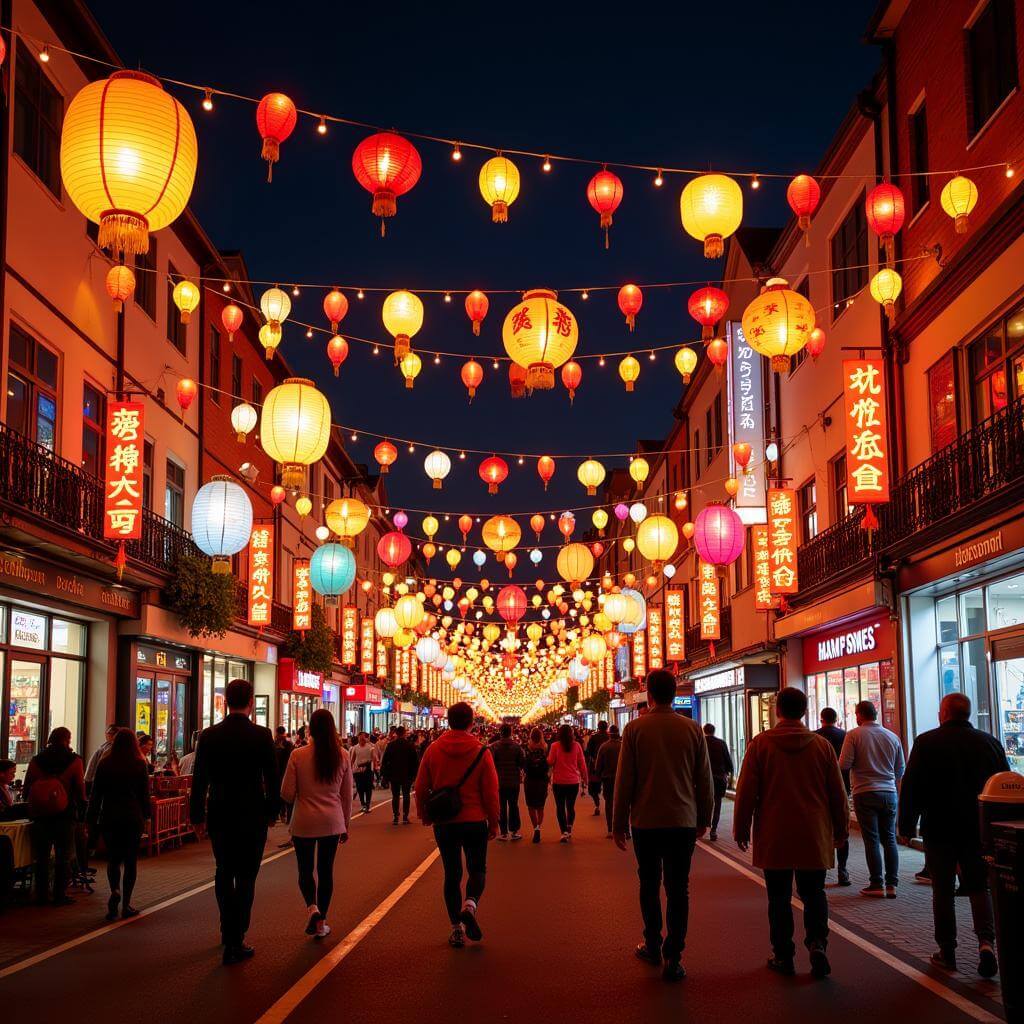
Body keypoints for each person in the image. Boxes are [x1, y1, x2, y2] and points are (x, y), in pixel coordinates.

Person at [734, 687, 849, 980]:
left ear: (777, 711)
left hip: (775, 833)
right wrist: (841, 829)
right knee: (814, 893)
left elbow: (746, 791)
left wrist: (741, 827)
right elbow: (837, 793)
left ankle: (783, 955)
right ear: (805, 712)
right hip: (813, 832)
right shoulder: (821, 746)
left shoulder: (760, 744)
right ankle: (818, 944)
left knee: (778, 897)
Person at [612, 669, 713, 983]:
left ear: (649, 695)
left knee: (649, 883)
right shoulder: (692, 729)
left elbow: (624, 780)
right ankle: (674, 955)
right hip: (682, 821)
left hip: (646, 821)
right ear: (674, 692)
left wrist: (617, 823)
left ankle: (653, 944)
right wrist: (704, 819)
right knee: (678, 888)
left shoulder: (635, 729)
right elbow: (704, 780)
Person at [898, 692, 1009, 976]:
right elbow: (1003, 785)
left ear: (943, 713)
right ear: (968, 714)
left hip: (940, 827)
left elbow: (912, 786)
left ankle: (947, 950)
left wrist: (906, 826)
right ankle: (986, 944)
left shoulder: (926, 742)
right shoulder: (990, 743)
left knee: (943, 890)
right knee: (978, 887)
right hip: (977, 829)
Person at [189, 679, 279, 965]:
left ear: (226, 701)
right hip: (252, 814)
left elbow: (199, 780)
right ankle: (236, 934)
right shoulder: (262, 736)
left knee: (224, 871)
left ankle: (227, 929)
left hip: (220, 812)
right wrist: (272, 812)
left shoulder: (210, 735)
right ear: (251, 702)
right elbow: (272, 780)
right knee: (247, 876)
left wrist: (196, 817)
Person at [414, 701, 499, 949]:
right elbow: (491, 792)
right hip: (474, 820)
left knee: (452, 875)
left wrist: (425, 814)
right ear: (472, 722)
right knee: (477, 869)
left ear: (448, 721)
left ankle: (456, 929)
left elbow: (420, 786)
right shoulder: (482, 751)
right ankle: (470, 905)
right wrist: (494, 822)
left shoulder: (433, 749)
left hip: (445, 822)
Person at [280, 708, 352, 940]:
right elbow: (347, 795)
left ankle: (312, 908)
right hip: (332, 821)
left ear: (310, 728)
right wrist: (346, 825)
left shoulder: (298, 755)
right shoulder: (342, 755)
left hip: (304, 821)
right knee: (325, 871)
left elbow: (287, 793)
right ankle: (322, 923)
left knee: (305, 870)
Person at [839, 700, 905, 897]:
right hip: (889, 792)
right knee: (890, 839)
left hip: (864, 792)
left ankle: (876, 883)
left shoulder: (854, 735)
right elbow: (900, 769)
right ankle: (892, 884)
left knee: (872, 840)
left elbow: (844, 764)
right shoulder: (892, 736)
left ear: (859, 715)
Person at [86, 729, 150, 921]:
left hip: (110, 817)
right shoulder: (139, 764)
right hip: (132, 817)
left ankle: (114, 889)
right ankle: (127, 903)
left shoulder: (105, 763)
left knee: (113, 859)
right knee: (130, 861)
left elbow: (96, 795)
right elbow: (144, 795)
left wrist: (90, 819)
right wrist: (147, 817)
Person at [24, 727, 86, 906]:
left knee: (41, 857)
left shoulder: (37, 760)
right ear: (67, 739)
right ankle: (59, 895)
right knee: (63, 856)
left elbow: (27, 787)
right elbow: (80, 791)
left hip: (40, 815)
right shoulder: (74, 761)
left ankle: (41, 894)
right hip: (64, 815)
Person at [814, 708, 851, 886]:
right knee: (841, 828)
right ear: (836, 719)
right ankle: (842, 869)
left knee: (821, 830)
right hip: (842, 786)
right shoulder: (845, 735)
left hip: (819, 790)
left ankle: (821, 868)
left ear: (821, 719)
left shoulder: (814, 738)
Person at [548, 724, 588, 843]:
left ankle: (564, 832)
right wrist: (585, 779)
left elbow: (550, 761)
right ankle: (569, 826)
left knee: (560, 807)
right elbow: (582, 764)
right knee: (570, 806)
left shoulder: (555, 746)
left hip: (558, 781)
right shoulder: (577, 746)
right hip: (573, 781)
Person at [490, 724, 526, 841]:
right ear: (511, 733)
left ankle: (503, 832)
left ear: (500, 733)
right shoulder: (517, 747)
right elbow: (521, 763)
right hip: (513, 781)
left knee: (501, 806)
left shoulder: (494, 747)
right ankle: (514, 831)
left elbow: (491, 764)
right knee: (513, 805)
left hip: (499, 781)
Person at [702, 724, 734, 842]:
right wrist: (729, 776)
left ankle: (701, 826)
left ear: (704, 731)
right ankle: (713, 830)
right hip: (719, 778)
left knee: (702, 802)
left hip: (704, 779)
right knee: (718, 803)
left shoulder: (701, 742)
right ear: (714, 731)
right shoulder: (721, 743)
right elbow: (728, 762)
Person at [381, 726, 418, 825]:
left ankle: (395, 816)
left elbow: (385, 761)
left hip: (394, 774)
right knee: (406, 795)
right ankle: (405, 817)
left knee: (395, 796)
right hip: (407, 774)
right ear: (404, 733)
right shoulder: (410, 745)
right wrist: (415, 775)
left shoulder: (391, 745)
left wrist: (384, 775)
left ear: (396, 734)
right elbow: (415, 761)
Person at [594, 724, 622, 838]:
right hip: (622, 779)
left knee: (609, 804)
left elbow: (598, 765)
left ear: (609, 734)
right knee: (623, 804)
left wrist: (598, 776)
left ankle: (610, 829)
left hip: (608, 779)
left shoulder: (604, 747)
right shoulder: (623, 746)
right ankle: (625, 829)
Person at [523, 728, 550, 843]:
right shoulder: (546, 747)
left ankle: (535, 827)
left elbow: (523, 764)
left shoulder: (526, 747)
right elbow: (549, 763)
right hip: (542, 779)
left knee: (531, 806)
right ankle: (539, 826)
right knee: (540, 806)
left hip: (530, 779)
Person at [585, 721, 610, 817]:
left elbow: (588, 752)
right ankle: (609, 805)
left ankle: (597, 805)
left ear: (598, 727)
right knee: (608, 789)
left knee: (593, 789)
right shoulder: (609, 737)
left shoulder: (594, 738)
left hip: (595, 767)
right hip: (608, 767)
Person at [349, 732, 378, 814]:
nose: (362, 739)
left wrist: (375, 766)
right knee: (360, 788)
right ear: (358, 739)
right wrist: (350, 769)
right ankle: (363, 804)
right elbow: (352, 759)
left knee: (368, 788)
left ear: (366, 738)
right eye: (360, 738)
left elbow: (373, 758)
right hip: (358, 770)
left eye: (363, 738)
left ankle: (368, 805)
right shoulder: (355, 748)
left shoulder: (370, 747)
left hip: (368, 769)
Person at [84, 724, 118, 789]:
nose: (109, 735)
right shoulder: (103, 748)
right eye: (109, 733)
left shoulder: (105, 749)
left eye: (112, 733)